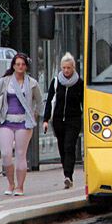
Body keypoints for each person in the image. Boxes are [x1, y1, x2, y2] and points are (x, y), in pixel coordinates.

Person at [0, 53, 42, 196]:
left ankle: (20, 186)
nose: (20, 67)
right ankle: (10, 183)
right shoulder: (5, 81)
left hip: (24, 122)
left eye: (23, 64)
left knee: (21, 154)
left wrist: (36, 115)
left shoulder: (32, 83)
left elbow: (39, 102)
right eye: (17, 64)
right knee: (5, 153)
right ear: (13, 66)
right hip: (6, 120)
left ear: (26, 66)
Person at [42, 52, 84, 189]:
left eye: (69, 68)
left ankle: (68, 176)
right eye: (64, 68)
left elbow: (84, 102)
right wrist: (46, 119)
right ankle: (66, 172)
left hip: (74, 119)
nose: (66, 70)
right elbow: (49, 101)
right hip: (59, 120)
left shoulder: (79, 83)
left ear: (73, 68)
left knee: (69, 146)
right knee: (62, 148)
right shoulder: (55, 82)